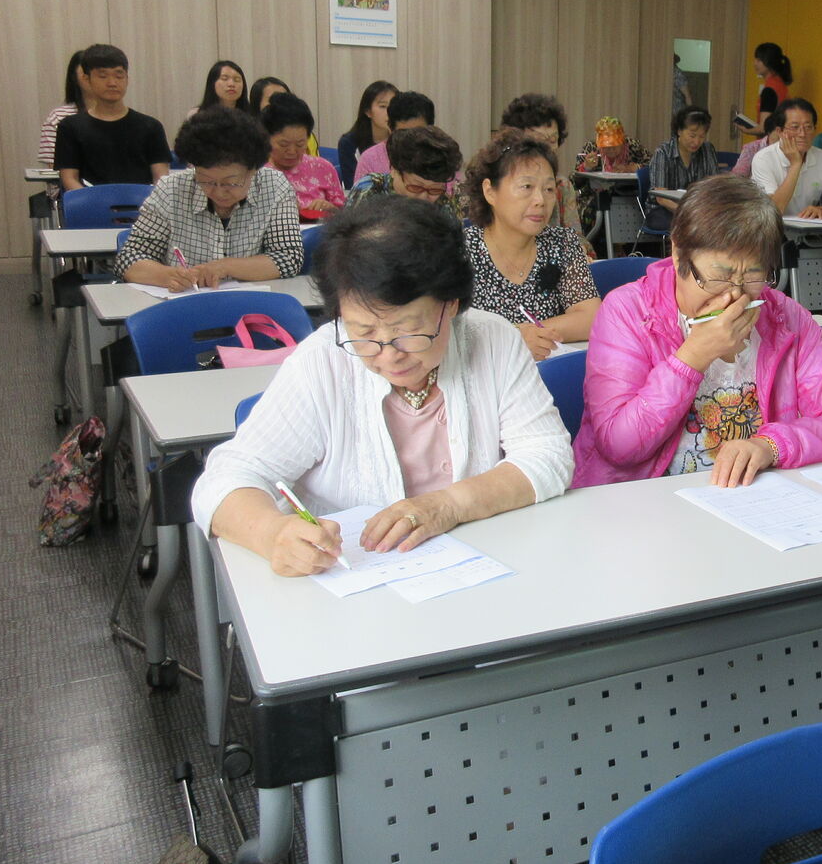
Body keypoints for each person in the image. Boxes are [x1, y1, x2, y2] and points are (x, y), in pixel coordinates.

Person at [190, 196, 572, 574]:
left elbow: (548, 454)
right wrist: (272, 534)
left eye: (409, 331)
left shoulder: (494, 341)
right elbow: (224, 481)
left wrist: (449, 505)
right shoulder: (322, 361)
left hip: (481, 569)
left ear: (452, 304)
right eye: (364, 332)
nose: (389, 355)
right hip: (352, 582)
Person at [573, 174, 822, 487]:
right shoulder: (628, 312)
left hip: (749, 498)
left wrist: (771, 446)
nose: (735, 296)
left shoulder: (785, 317)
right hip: (646, 500)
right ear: (678, 253)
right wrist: (693, 357)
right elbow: (618, 447)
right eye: (718, 276)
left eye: (753, 275)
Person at [114, 106, 303, 290]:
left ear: (254, 170)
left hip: (251, 303)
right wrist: (169, 276)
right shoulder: (171, 190)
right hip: (184, 302)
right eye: (206, 181)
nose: (219, 192)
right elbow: (129, 257)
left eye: (231, 183)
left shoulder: (274, 186)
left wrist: (225, 267)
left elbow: (288, 258)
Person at [464, 135, 600, 360]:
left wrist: (529, 334)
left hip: (546, 369)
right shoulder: (460, 251)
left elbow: (591, 317)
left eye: (548, 189)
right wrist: (512, 338)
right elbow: (448, 330)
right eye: (526, 186)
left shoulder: (562, 242)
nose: (540, 200)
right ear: (490, 191)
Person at [54, 43, 170, 190]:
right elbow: (69, 178)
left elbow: (161, 179)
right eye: (102, 76)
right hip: (90, 202)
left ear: (127, 79)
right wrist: (93, 201)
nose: (112, 83)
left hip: (142, 202)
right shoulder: (70, 127)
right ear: (86, 79)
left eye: (119, 75)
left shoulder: (151, 126)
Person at [749, 98, 822, 220]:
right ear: (779, 131)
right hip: (770, 227)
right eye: (795, 127)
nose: (803, 134)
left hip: (806, 228)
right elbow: (775, 210)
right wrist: (796, 164)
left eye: (808, 127)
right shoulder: (763, 159)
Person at [499, 92, 582, 237]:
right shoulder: (500, 183)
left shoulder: (562, 186)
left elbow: (576, 237)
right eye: (538, 140)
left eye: (553, 140)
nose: (547, 149)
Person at [347, 124, 467, 221]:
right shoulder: (370, 189)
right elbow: (350, 238)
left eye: (434, 190)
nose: (424, 197)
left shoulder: (444, 201)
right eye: (416, 187)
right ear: (394, 171)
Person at [261, 93, 344, 218]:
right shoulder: (255, 173)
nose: (292, 151)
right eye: (284, 144)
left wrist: (330, 209)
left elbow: (345, 215)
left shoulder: (323, 168)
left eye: (300, 144)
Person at [645, 105, 719, 228]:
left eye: (701, 136)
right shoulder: (663, 152)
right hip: (664, 210)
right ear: (679, 131)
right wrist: (689, 213)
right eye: (692, 136)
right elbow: (661, 198)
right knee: (693, 226)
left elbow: (714, 187)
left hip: (697, 208)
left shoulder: (707, 150)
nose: (696, 142)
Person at [574, 116, 648, 233]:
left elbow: (653, 167)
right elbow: (575, 182)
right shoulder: (591, 148)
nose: (611, 150)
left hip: (628, 194)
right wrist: (586, 167)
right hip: (595, 195)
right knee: (594, 208)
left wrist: (636, 168)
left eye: (615, 146)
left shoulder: (633, 146)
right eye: (606, 147)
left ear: (622, 141)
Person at [352, 90, 436, 187]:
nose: (412, 138)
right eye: (404, 133)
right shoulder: (369, 159)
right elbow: (361, 196)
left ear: (430, 129)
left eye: (418, 132)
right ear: (390, 128)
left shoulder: (440, 157)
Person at [335, 80, 397, 189]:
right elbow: (352, 186)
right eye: (383, 106)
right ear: (368, 111)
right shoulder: (348, 143)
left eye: (393, 106)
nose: (389, 112)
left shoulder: (402, 140)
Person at [38, 48, 88, 170]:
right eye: (86, 73)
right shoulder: (58, 117)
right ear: (74, 78)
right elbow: (54, 168)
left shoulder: (119, 117)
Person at [731, 111, 780, 178]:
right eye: (779, 132)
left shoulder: (790, 148)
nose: (784, 136)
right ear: (769, 132)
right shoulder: (752, 148)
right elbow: (738, 175)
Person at [752, 41, 791, 119]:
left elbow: (764, 124)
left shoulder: (770, 89)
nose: (755, 63)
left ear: (769, 61)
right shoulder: (779, 83)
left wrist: (745, 126)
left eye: (759, 60)